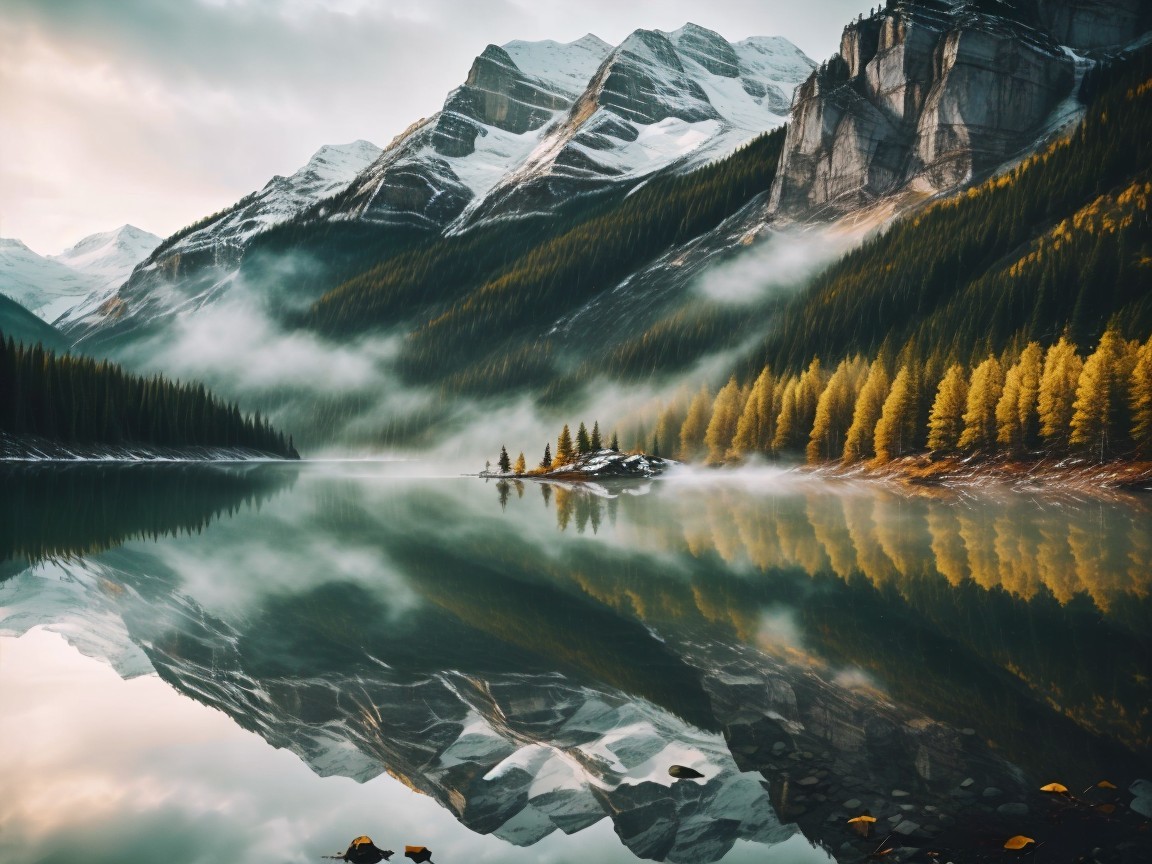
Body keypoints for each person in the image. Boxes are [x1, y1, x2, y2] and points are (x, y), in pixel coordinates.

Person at [324, 836, 393, 863]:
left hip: (358, 856)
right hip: (356, 855)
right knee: (345, 856)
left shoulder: (376, 854)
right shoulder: (372, 849)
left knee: (345, 857)